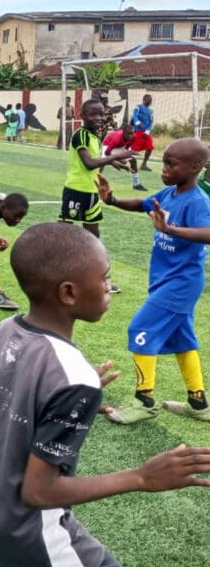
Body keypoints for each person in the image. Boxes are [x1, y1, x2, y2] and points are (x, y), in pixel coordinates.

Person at [0, 222, 210, 567]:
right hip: (20, 538)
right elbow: (39, 491)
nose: (107, 286)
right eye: (103, 278)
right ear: (68, 293)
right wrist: (141, 477)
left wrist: (56, 397)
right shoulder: (73, 375)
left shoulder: (1, 330)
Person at [97, 138, 210, 425]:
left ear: (195, 167)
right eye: (165, 161)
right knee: (183, 341)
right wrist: (112, 200)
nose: (164, 168)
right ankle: (199, 404)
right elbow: (144, 204)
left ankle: (144, 401)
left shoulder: (197, 200)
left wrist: (169, 229)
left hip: (181, 283)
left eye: (172, 164)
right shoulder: (171, 193)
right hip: (165, 280)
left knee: (141, 328)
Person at [59, 98, 135, 292]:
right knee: (63, 233)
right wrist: (116, 157)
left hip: (91, 191)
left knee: (93, 237)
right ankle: (54, 270)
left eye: (101, 113)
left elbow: (96, 160)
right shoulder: (81, 135)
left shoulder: (94, 135)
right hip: (76, 191)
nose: (98, 117)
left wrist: (110, 162)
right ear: (82, 116)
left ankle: (99, 279)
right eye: (93, 114)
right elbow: (88, 163)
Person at [101, 124, 146, 191]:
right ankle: (95, 179)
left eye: (132, 133)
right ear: (123, 133)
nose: (131, 136)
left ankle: (136, 184)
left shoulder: (133, 137)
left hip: (120, 146)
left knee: (133, 160)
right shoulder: (117, 139)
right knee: (102, 163)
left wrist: (124, 155)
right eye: (129, 134)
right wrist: (118, 159)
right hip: (107, 146)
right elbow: (107, 153)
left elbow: (127, 147)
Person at [131, 94, 155, 172]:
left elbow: (151, 122)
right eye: (148, 100)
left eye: (150, 101)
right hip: (137, 131)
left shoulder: (151, 111)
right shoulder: (138, 107)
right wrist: (138, 123)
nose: (149, 102)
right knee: (134, 149)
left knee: (150, 147)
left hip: (146, 133)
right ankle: (132, 165)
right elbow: (135, 116)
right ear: (144, 100)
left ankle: (144, 164)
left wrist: (147, 131)